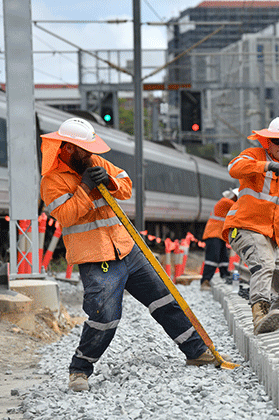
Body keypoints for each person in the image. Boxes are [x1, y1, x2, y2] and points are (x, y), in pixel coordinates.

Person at [40, 118, 229, 392]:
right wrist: (84, 188)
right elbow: (65, 216)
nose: (91, 154)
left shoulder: (96, 164)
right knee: (104, 317)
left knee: (166, 298)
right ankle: (79, 370)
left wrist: (110, 182)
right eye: (84, 149)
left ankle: (197, 351)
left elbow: (125, 183)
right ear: (68, 149)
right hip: (97, 258)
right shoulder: (52, 181)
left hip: (127, 248)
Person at [223, 115, 279, 335]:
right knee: (264, 264)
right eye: (277, 141)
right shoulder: (254, 156)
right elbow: (234, 168)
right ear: (267, 142)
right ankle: (260, 315)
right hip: (244, 227)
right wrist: (267, 166)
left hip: (270, 237)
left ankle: (271, 321)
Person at [199, 188, 239, 291]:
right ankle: (205, 281)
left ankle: (225, 276)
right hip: (213, 233)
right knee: (212, 258)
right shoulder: (226, 202)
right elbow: (241, 210)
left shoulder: (228, 203)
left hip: (219, 234)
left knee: (223, 258)